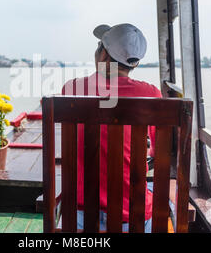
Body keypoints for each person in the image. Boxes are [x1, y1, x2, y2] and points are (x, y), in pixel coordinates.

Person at [61, 23, 162, 232]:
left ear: (104, 55)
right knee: (153, 194)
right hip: (132, 214)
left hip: (79, 212)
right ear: (134, 63)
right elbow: (158, 151)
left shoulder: (71, 89)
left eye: (99, 46)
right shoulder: (150, 94)